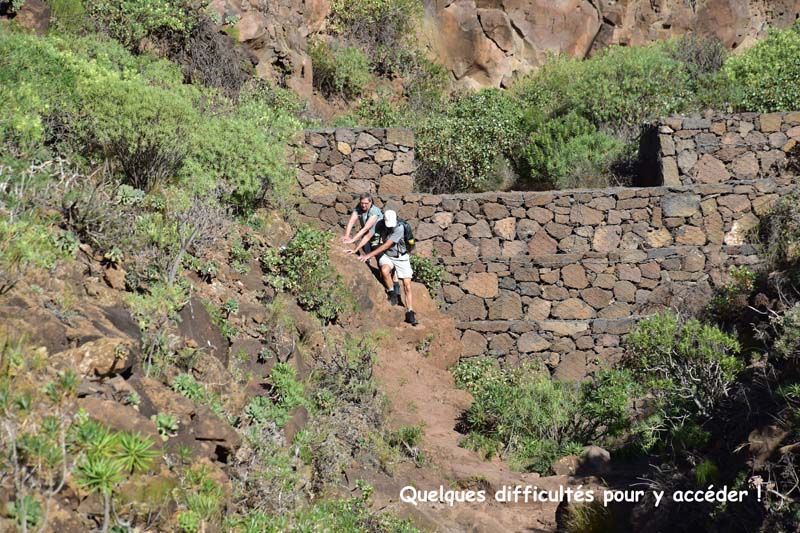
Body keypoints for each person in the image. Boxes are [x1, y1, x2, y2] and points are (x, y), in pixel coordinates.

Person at [358, 210, 418, 326]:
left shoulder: (399, 228)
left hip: (401, 257)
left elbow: (387, 244)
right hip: (387, 255)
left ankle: (410, 311)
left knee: (407, 285)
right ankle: (391, 292)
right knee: (385, 270)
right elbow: (369, 235)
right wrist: (356, 248)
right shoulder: (380, 224)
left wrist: (368, 255)